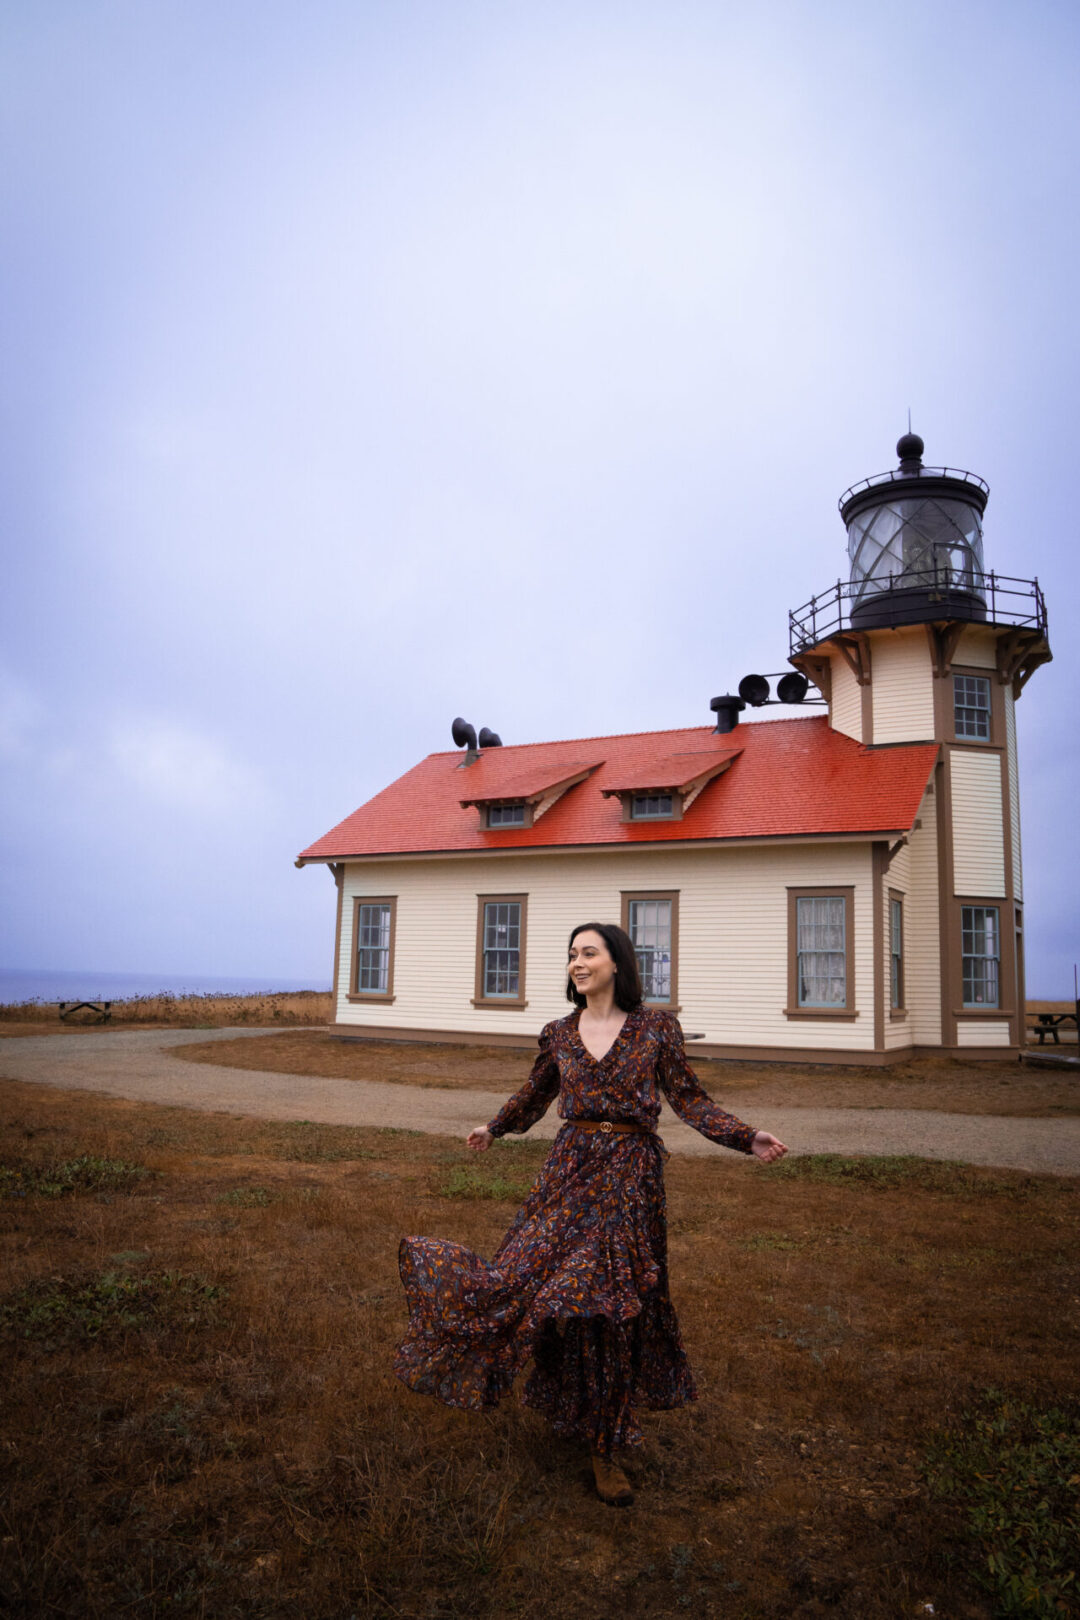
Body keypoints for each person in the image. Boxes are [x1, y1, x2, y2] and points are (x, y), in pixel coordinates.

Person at [394, 922, 788, 1507]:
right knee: (529, 1278)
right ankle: (525, 1363)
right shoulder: (558, 1032)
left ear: (616, 962)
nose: (578, 963)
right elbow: (534, 1095)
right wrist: (495, 1127)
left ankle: (605, 1448)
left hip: (631, 1179)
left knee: (611, 1308)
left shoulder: (656, 1028)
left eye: (589, 952)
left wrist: (745, 1136)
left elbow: (689, 1098)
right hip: (570, 1171)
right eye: (572, 955)